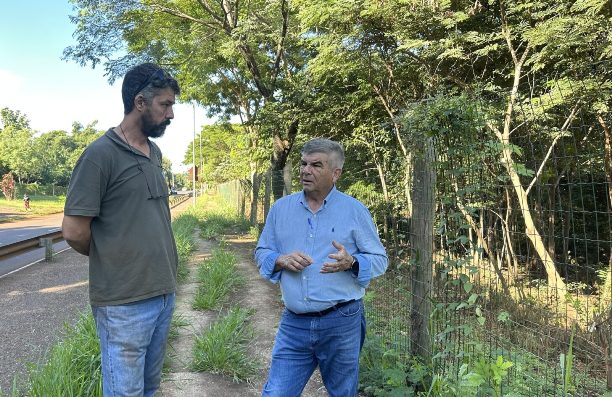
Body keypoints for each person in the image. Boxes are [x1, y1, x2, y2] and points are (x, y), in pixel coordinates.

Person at [62, 63, 180, 397]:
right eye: (165, 105)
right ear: (140, 103)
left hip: (162, 293)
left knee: (149, 387)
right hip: (123, 303)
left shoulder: (154, 153)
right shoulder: (100, 155)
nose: (171, 114)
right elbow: (73, 230)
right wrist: (112, 254)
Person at [255, 138, 388, 397]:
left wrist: (353, 262)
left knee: (342, 392)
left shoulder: (354, 211)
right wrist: (280, 260)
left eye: (316, 165)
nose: (306, 170)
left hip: (342, 321)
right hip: (294, 324)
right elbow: (262, 252)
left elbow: (380, 259)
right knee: (277, 393)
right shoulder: (281, 209)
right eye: (304, 163)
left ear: (335, 173)